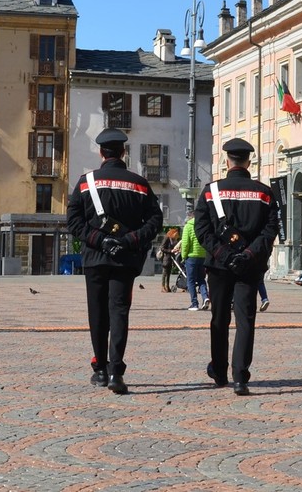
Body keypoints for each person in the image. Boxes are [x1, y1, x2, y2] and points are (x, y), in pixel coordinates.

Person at [66, 128, 163, 395]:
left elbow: (74, 222)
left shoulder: (87, 182)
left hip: (95, 258)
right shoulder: (140, 184)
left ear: (101, 153)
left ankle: (100, 370)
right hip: (125, 259)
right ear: (124, 153)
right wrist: (131, 240)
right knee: (119, 312)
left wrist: (98, 240)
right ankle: (116, 372)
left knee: (97, 313)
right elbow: (155, 221)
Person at [195, 138, 279, 396]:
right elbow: (271, 229)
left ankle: (220, 372)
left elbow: (202, 229)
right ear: (248, 161)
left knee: (219, 319)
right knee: (245, 320)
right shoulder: (264, 193)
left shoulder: (211, 191)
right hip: (249, 266)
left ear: (227, 161)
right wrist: (249, 253)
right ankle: (241, 377)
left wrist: (221, 253)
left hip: (220, 267)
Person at [180, 209, 210, 311]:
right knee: (201, 279)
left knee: (191, 281)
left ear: (190, 217)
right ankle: (205, 297)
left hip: (191, 257)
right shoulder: (202, 226)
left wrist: (184, 256)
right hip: (202, 256)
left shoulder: (188, 227)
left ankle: (194, 303)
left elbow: (185, 244)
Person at [159, 227, 180, 293]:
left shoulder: (173, 239)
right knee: (164, 273)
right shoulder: (167, 238)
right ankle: (163, 287)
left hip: (171, 258)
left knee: (168, 273)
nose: (176, 235)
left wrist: (175, 250)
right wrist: (170, 251)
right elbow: (162, 248)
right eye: (176, 234)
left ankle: (167, 286)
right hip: (166, 258)